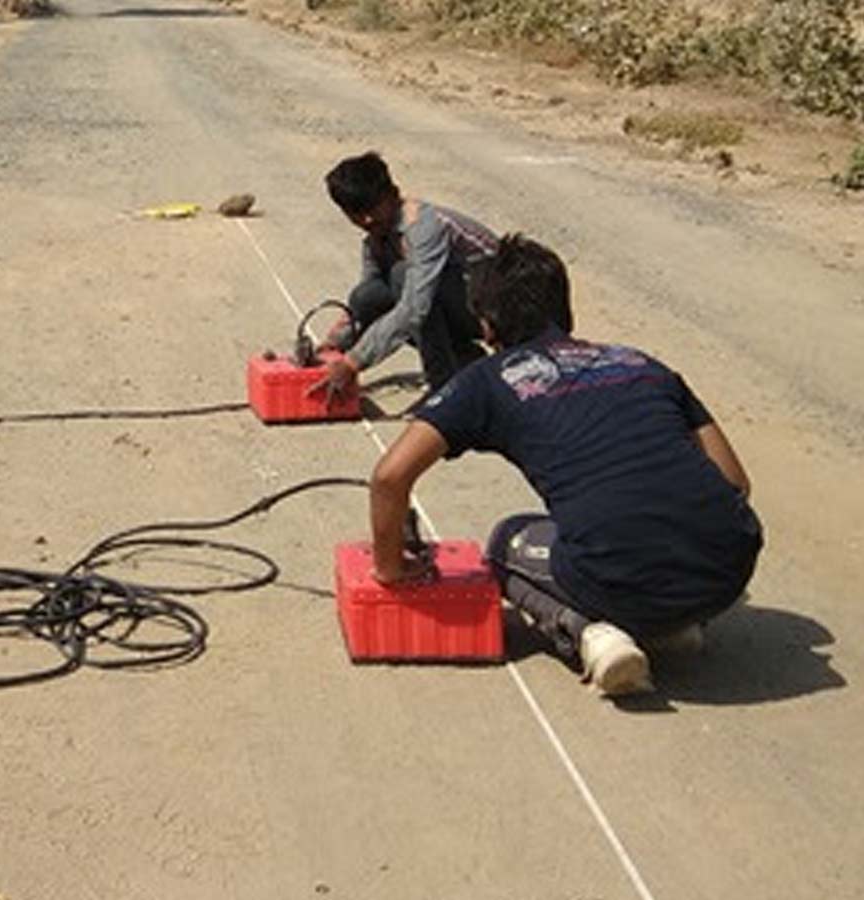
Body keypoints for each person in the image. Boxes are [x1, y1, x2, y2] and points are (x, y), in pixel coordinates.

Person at [367, 234, 763, 696]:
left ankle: (589, 633)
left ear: (487, 326)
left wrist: (390, 567)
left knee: (505, 540)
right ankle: (673, 620)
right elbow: (735, 483)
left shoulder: (488, 380)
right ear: (565, 310)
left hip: (620, 576)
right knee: (626, 534)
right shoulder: (640, 363)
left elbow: (389, 477)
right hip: (730, 570)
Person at [312, 151, 499, 400]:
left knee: (403, 280)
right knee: (367, 297)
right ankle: (464, 359)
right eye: (357, 214)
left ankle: (443, 387)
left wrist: (353, 362)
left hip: (500, 307)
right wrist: (334, 346)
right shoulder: (375, 241)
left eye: (373, 208)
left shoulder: (424, 226)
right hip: (462, 303)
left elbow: (415, 307)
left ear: (392, 194)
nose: (367, 219)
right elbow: (366, 305)